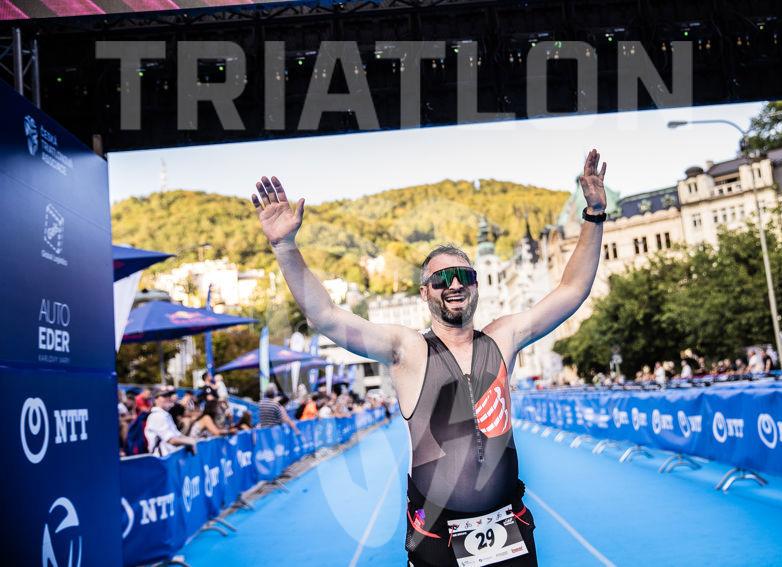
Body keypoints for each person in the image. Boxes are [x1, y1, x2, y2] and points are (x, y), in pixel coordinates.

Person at [251, 149, 608, 566]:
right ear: (425, 292)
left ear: (476, 286)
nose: (454, 285)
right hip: (437, 539)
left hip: (509, 529)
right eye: (441, 279)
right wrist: (284, 246)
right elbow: (326, 316)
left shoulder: (503, 338)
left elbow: (572, 290)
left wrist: (594, 215)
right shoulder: (408, 350)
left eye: (464, 276)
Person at [145, 387, 197, 457]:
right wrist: (190, 441)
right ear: (155, 400)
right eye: (164, 396)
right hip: (161, 460)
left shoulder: (164, 414)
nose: (168, 398)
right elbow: (171, 440)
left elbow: (177, 435)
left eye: (169, 396)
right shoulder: (156, 416)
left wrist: (191, 440)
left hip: (169, 457)